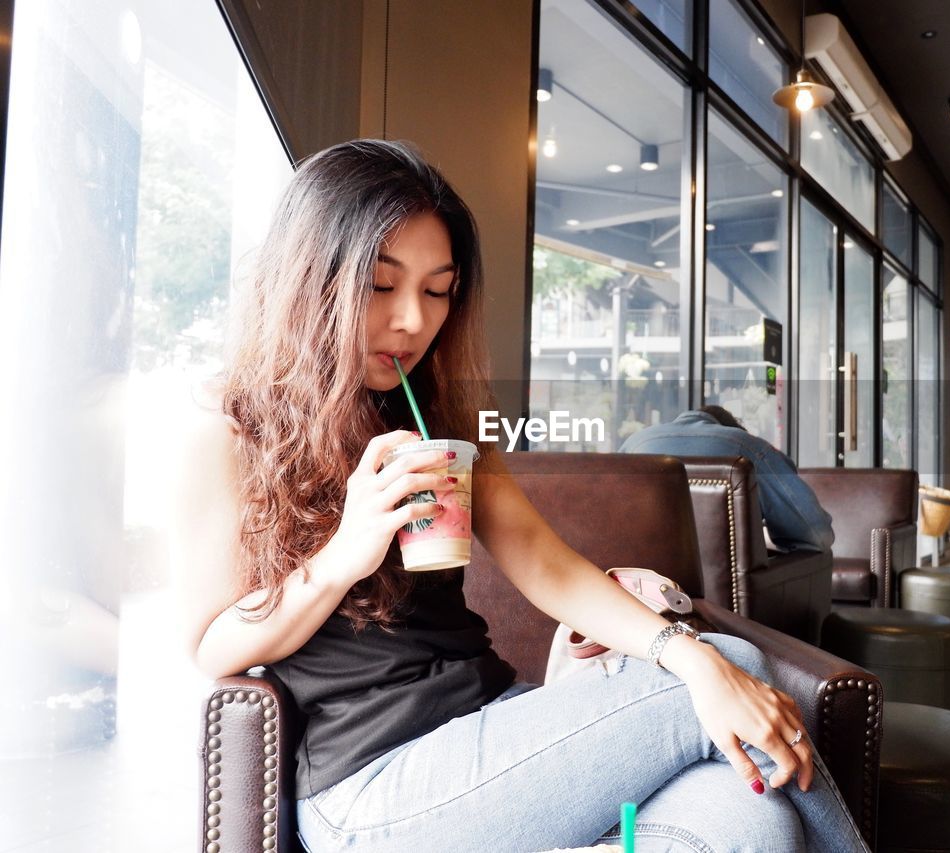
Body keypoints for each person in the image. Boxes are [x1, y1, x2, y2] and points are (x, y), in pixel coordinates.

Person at [173, 139, 867, 853]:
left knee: (754, 815)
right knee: (730, 668)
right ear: (309, 278)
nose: (413, 318)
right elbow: (211, 643)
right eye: (382, 285)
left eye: (437, 289)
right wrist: (347, 551)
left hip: (497, 731)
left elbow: (542, 560)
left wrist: (668, 642)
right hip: (374, 785)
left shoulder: (435, 420)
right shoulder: (230, 435)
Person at [619, 406, 834, 553]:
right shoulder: (747, 447)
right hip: (728, 601)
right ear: (730, 427)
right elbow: (817, 534)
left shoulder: (635, 444)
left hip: (639, 593)